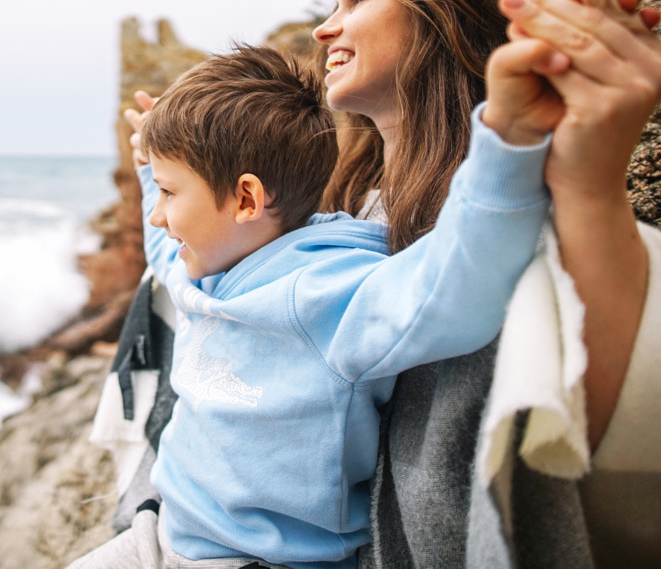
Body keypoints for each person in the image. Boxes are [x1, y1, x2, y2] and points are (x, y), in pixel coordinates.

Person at [91, 0, 661, 567]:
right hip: (175, 527)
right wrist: (155, 174)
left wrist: (537, 150)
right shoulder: (333, 212)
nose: (322, 27)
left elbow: (470, 298)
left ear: (440, 8)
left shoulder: (378, 260)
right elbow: (175, 255)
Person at [71, 43, 553, 569]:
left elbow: (452, 288)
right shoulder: (208, 267)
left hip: (257, 562)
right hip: (166, 532)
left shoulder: (324, 293)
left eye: (170, 193)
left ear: (247, 200)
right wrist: (149, 171)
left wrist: (509, 141)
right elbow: (162, 246)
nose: (159, 216)